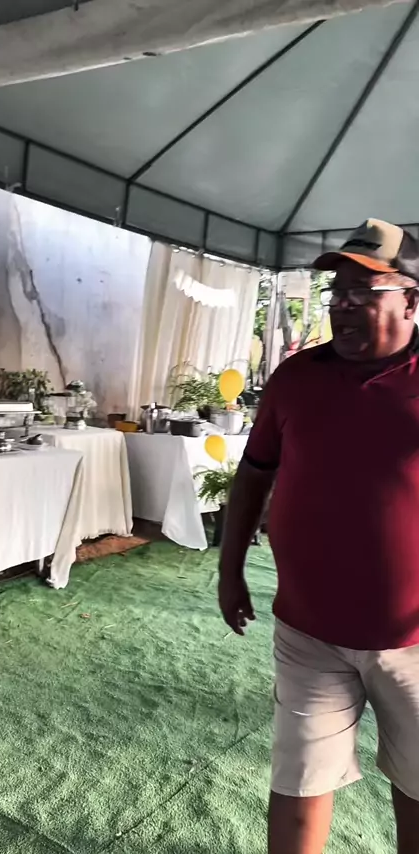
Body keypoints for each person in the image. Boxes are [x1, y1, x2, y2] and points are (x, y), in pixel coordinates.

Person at [218, 219, 419, 854]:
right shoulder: (296, 377)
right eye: (338, 291)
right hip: (308, 633)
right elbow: (255, 473)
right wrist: (229, 570)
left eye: (365, 290)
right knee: (299, 786)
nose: (344, 305)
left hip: (415, 643)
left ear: (410, 300)